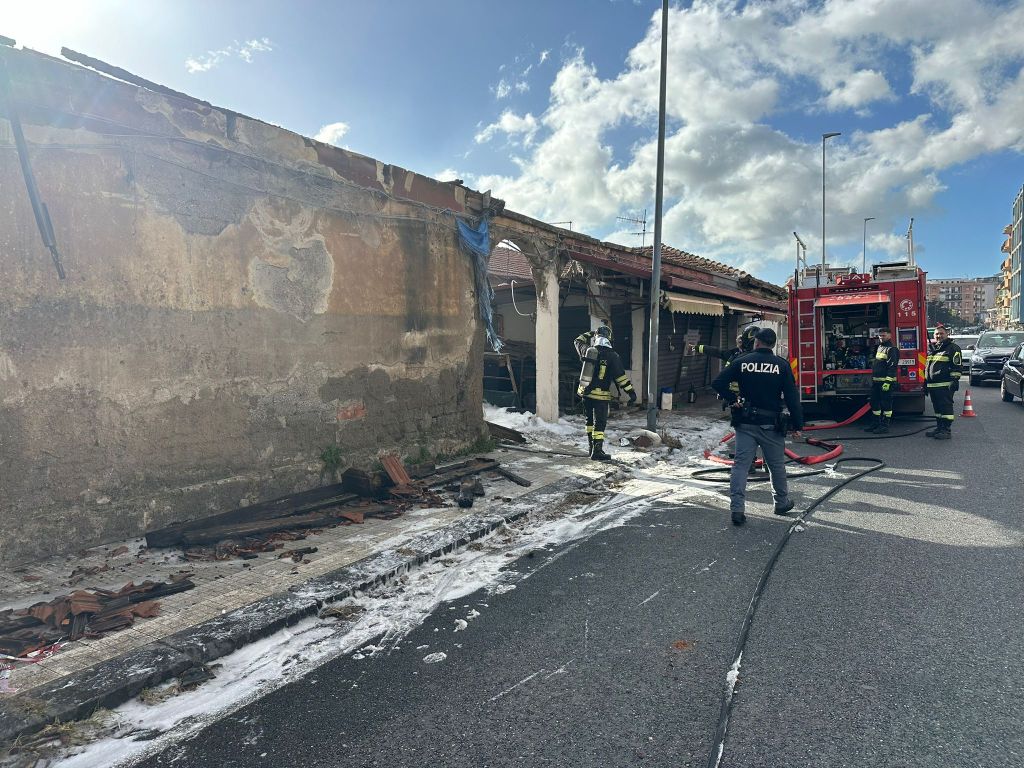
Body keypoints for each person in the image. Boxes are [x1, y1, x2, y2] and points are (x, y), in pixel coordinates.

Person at [712, 328, 804, 526]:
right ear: (772, 344)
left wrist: (732, 399)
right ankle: (781, 503)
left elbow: (718, 382)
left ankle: (737, 509)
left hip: (745, 422)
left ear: (757, 342)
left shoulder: (742, 361)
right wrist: (798, 424)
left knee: (741, 465)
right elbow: (792, 397)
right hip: (772, 423)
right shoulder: (782, 365)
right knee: (776, 465)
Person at [577, 335, 636, 461]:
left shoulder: (588, 350)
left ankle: (591, 449)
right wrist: (631, 392)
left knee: (589, 421)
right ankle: (597, 451)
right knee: (599, 423)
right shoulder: (613, 355)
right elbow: (621, 377)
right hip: (600, 396)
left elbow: (577, 341)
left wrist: (590, 333)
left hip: (585, 394)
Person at [924, 325, 962, 440]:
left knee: (945, 408)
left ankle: (946, 430)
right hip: (933, 385)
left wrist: (954, 380)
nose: (938, 336)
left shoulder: (952, 348)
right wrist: (925, 382)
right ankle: (939, 428)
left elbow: (957, 366)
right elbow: (927, 367)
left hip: (945, 385)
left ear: (947, 334)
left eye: (941, 333)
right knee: (938, 409)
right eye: (936, 334)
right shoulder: (934, 349)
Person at [863, 328, 899, 433]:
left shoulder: (892, 349)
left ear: (889, 336)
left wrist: (888, 382)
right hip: (876, 382)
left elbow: (892, 367)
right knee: (874, 403)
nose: (881, 337)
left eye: (884, 335)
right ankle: (876, 423)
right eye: (880, 336)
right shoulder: (880, 347)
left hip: (885, 383)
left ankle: (884, 426)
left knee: (886, 405)